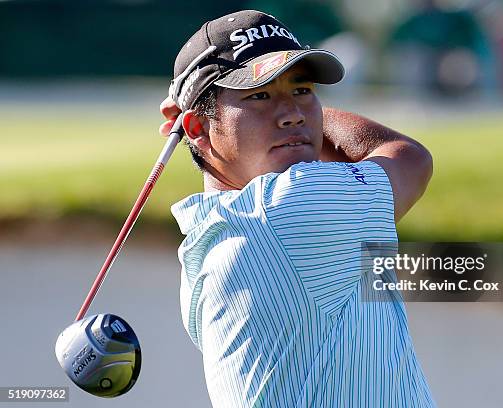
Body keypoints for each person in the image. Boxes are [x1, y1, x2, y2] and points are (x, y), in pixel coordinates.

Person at [159, 9, 436, 407]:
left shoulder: (209, 236)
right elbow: (410, 159)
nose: (291, 114)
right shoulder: (290, 207)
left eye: (302, 90)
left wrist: (200, 113)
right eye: (259, 95)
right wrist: (313, 123)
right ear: (198, 130)